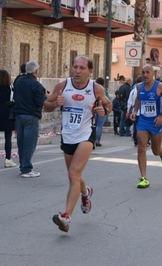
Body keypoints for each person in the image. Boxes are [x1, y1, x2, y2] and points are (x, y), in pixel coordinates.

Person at [44, 55, 112, 233]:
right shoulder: (62, 86)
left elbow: (108, 104)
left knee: (74, 172)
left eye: (82, 68)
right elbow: (46, 105)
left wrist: (103, 110)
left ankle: (66, 217)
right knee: (74, 175)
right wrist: (54, 104)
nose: (77, 71)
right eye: (75, 67)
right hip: (68, 136)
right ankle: (85, 192)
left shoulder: (96, 88)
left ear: (90, 71)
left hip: (86, 135)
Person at [130, 64, 162, 188]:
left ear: (153, 74)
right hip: (143, 121)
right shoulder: (139, 86)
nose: (145, 75)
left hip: (156, 122)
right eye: (143, 72)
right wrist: (135, 111)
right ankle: (143, 178)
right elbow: (138, 99)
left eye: (147, 72)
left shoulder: (160, 87)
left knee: (155, 150)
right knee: (141, 147)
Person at [13, 60, 47, 177]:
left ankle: (23, 165)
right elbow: (40, 102)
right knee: (29, 143)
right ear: (36, 72)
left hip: (18, 114)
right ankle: (26, 168)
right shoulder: (36, 85)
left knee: (21, 142)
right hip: (31, 115)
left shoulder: (18, 82)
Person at [128, 75, 143, 146]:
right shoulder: (143, 90)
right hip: (142, 112)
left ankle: (136, 141)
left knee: (136, 126)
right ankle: (143, 141)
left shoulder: (133, 91)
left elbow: (129, 102)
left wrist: (129, 112)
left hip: (135, 111)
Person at [94, 77, 108, 146]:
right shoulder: (103, 90)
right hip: (102, 108)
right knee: (100, 125)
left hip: (95, 107)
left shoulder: (95, 89)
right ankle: (97, 140)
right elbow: (108, 100)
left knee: (96, 124)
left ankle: (93, 139)